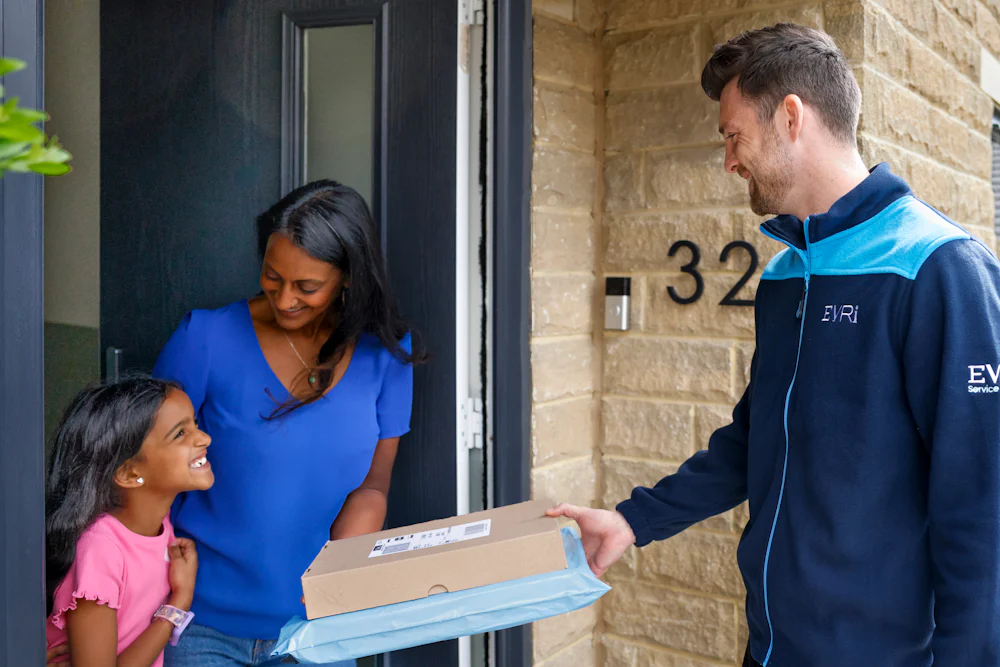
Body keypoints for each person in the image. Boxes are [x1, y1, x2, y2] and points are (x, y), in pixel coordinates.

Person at [550, 23, 1000, 667]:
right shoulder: (788, 273)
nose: (729, 160)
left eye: (734, 136)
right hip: (771, 650)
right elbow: (755, 438)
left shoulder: (938, 268)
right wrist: (633, 521)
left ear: (791, 117)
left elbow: (981, 511)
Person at [154, 180, 419, 667]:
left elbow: (373, 484)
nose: (285, 298)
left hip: (316, 632)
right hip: (200, 624)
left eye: (307, 286)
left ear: (348, 278)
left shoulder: (385, 359)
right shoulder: (206, 338)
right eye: (273, 277)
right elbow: (144, 470)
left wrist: (343, 569)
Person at [44, 376, 214, 667]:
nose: (204, 438)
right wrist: (178, 603)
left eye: (195, 424)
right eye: (180, 434)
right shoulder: (101, 550)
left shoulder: (159, 525)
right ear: (130, 474)